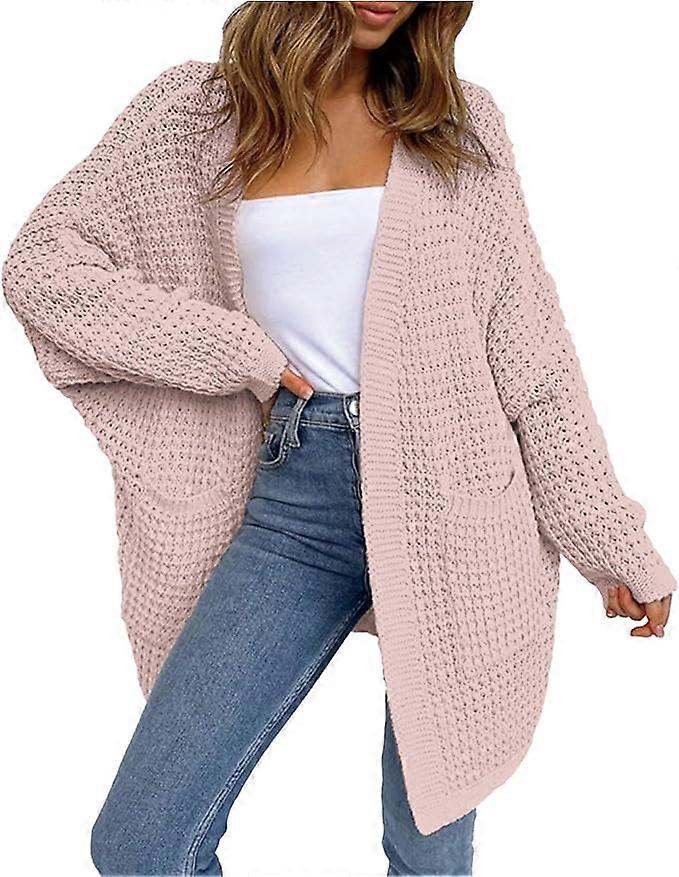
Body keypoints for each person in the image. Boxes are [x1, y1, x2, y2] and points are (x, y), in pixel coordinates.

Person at [2, 2, 674, 875]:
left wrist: (611, 542)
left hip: (455, 507)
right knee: (142, 840)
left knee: (423, 850)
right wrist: (228, 348)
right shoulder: (193, 114)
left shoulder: (457, 123)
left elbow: (532, 359)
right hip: (293, 502)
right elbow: (41, 267)